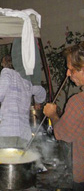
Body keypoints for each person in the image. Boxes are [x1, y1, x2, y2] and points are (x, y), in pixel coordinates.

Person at [43, 42, 84, 191]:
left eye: (72, 69)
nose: (67, 73)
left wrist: (53, 115)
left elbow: (62, 133)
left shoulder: (78, 102)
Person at [0, 55, 46, 148]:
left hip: (8, 129)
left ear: (5, 64)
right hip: (24, 132)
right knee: (21, 160)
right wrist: (37, 102)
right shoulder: (27, 81)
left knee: (6, 159)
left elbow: (3, 85)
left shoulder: (6, 72)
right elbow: (41, 92)